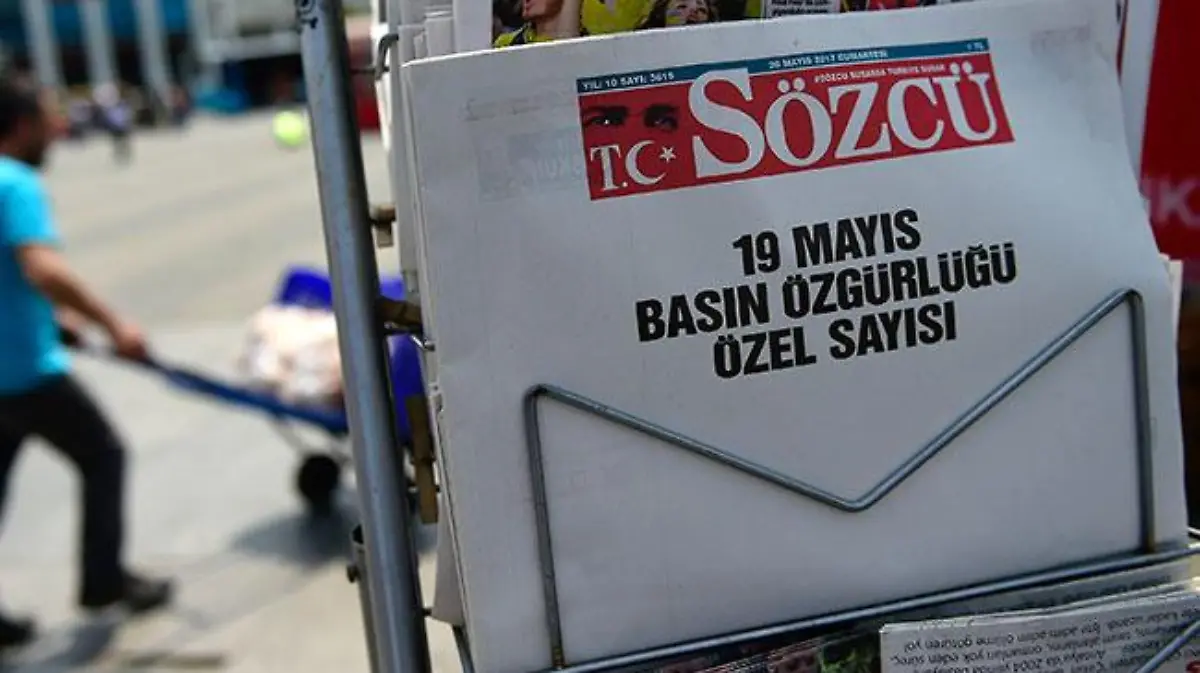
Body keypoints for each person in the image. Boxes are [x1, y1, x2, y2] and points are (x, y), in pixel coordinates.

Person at [0, 78, 172, 652]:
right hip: (24, 373)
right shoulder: (14, 183)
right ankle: (102, 583)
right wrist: (112, 324)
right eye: (46, 120)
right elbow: (41, 269)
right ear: (20, 125)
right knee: (103, 455)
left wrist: (52, 320)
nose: (56, 130)